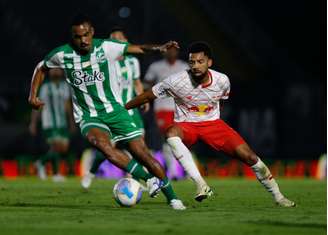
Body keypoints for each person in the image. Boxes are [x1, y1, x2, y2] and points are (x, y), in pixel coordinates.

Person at [28, 14, 185, 210]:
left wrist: (159, 48)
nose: (83, 40)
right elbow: (41, 67)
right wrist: (32, 95)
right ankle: (147, 178)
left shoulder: (106, 47)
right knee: (103, 146)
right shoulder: (63, 54)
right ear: (72, 36)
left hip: (116, 111)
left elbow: (138, 48)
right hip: (89, 116)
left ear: (92, 32)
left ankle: (173, 198)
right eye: (78, 36)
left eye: (86, 35)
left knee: (142, 153)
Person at [125, 41, 296, 207]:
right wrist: (124, 108)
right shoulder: (176, 81)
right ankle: (201, 184)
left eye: (200, 61)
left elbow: (222, 100)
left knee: (251, 157)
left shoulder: (222, 81)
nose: (196, 66)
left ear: (210, 62)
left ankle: (279, 197)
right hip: (187, 125)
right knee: (170, 134)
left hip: (213, 124)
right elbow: (147, 96)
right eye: (192, 62)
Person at [81, 26, 149, 189]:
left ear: (126, 42)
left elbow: (136, 82)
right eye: (113, 39)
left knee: (140, 148)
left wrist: (143, 99)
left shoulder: (133, 62)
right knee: (107, 148)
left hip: (131, 111)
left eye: (120, 38)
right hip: (112, 111)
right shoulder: (104, 62)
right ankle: (91, 173)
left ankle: (134, 183)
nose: (117, 42)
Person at [144, 46, 189, 179]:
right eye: (168, 50)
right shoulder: (156, 67)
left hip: (180, 109)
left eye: (174, 50)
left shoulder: (184, 66)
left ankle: (182, 170)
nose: (171, 52)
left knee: (179, 140)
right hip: (162, 109)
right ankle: (174, 172)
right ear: (164, 52)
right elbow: (147, 84)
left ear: (177, 52)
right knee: (168, 139)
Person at [29, 63, 74, 182]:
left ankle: (40, 162)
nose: (56, 72)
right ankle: (56, 174)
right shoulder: (45, 87)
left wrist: (71, 122)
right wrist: (33, 122)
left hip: (62, 122)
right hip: (49, 122)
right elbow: (38, 105)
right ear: (49, 72)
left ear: (61, 72)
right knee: (56, 146)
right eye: (53, 70)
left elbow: (67, 105)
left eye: (58, 70)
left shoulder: (65, 86)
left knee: (63, 148)